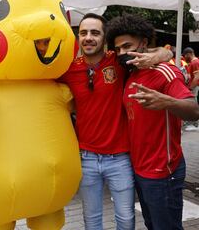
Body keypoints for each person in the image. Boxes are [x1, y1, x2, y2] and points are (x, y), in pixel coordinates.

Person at [58, 13, 172, 230]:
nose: (88, 38)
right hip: (86, 157)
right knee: (91, 220)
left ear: (104, 38)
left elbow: (164, 52)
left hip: (120, 158)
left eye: (95, 33)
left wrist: (158, 56)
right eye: (83, 33)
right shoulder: (69, 68)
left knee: (126, 220)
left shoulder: (119, 60)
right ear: (78, 36)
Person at [106, 13, 199, 230]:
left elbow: (194, 110)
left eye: (127, 46)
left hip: (163, 171)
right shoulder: (130, 73)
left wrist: (166, 101)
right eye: (118, 49)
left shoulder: (164, 72)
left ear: (144, 42)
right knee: (152, 225)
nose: (122, 53)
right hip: (138, 169)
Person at [182, 47, 199, 130]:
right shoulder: (194, 62)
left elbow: (197, 77)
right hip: (195, 86)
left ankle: (195, 124)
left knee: (193, 104)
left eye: (185, 56)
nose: (185, 58)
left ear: (189, 54)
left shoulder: (195, 62)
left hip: (195, 86)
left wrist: (190, 88)